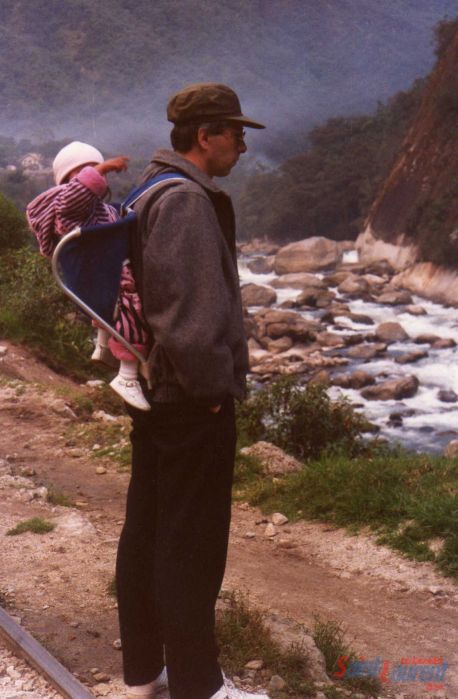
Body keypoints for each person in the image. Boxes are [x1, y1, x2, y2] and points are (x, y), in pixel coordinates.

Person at [115, 83, 268, 699]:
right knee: (191, 546)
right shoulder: (184, 201)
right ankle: (199, 687)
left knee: (149, 532)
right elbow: (189, 314)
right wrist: (211, 390)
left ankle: (146, 674)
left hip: (162, 395)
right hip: (191, 399)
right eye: (236, 134)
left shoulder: (148, 188)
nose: (243, 147)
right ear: (205, 136)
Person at [26, 141, 151, 411]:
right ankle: (128, 374)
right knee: (132, 305)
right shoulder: (69, 209)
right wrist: (103, 166)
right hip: (102, 273)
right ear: (73, 180)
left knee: (112, 298)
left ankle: (103, 344)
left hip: (100, 272)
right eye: (93, 173)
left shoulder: (94, 209)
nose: (100, 179)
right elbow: (74, 197)